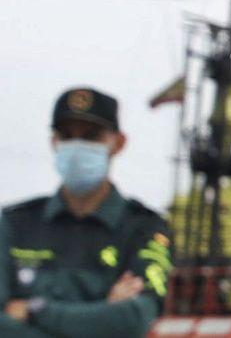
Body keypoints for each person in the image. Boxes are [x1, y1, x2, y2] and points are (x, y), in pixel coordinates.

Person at [0, 87, 172, 338]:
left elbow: (134, 319)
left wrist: (36, 311)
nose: (77, 146)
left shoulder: (145, 229)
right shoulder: (14, 224)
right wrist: (101, 317)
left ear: (118, 142)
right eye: (67, 135)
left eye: (91, 136)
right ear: (54, 142)